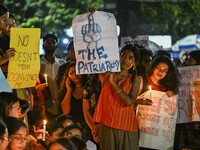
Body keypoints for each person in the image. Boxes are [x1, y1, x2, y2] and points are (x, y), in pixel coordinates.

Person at [93, 44, 143, 150]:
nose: (125, 59)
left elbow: (129, 102)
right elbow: (96, 57)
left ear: (135, 62)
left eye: (130, 58)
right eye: (123, 55)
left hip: (127, 126)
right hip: (107, 125)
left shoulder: (136, 79)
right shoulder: (106, 74)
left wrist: (113, 83)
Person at [36, 33, 66, 119]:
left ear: (56, 46)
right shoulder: (37, 64)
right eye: (47, 42)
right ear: (43, 45)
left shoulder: (62, 63)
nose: (50, 44)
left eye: (53, 42)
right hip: (44, 106)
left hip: (60, 105)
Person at [59, 62, 88, 128]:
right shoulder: (65, 91)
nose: (75, 74)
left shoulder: (89, 88)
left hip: (88, 125)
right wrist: (69, 90)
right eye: (72, 73)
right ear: (68, 77)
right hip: (74, 126)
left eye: (78, 71)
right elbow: (65, 112)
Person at [0, 4, 15, 72]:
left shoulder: (9, 40)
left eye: (7, 18)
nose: (7, 22)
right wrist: (4, 59)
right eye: (4, 19)